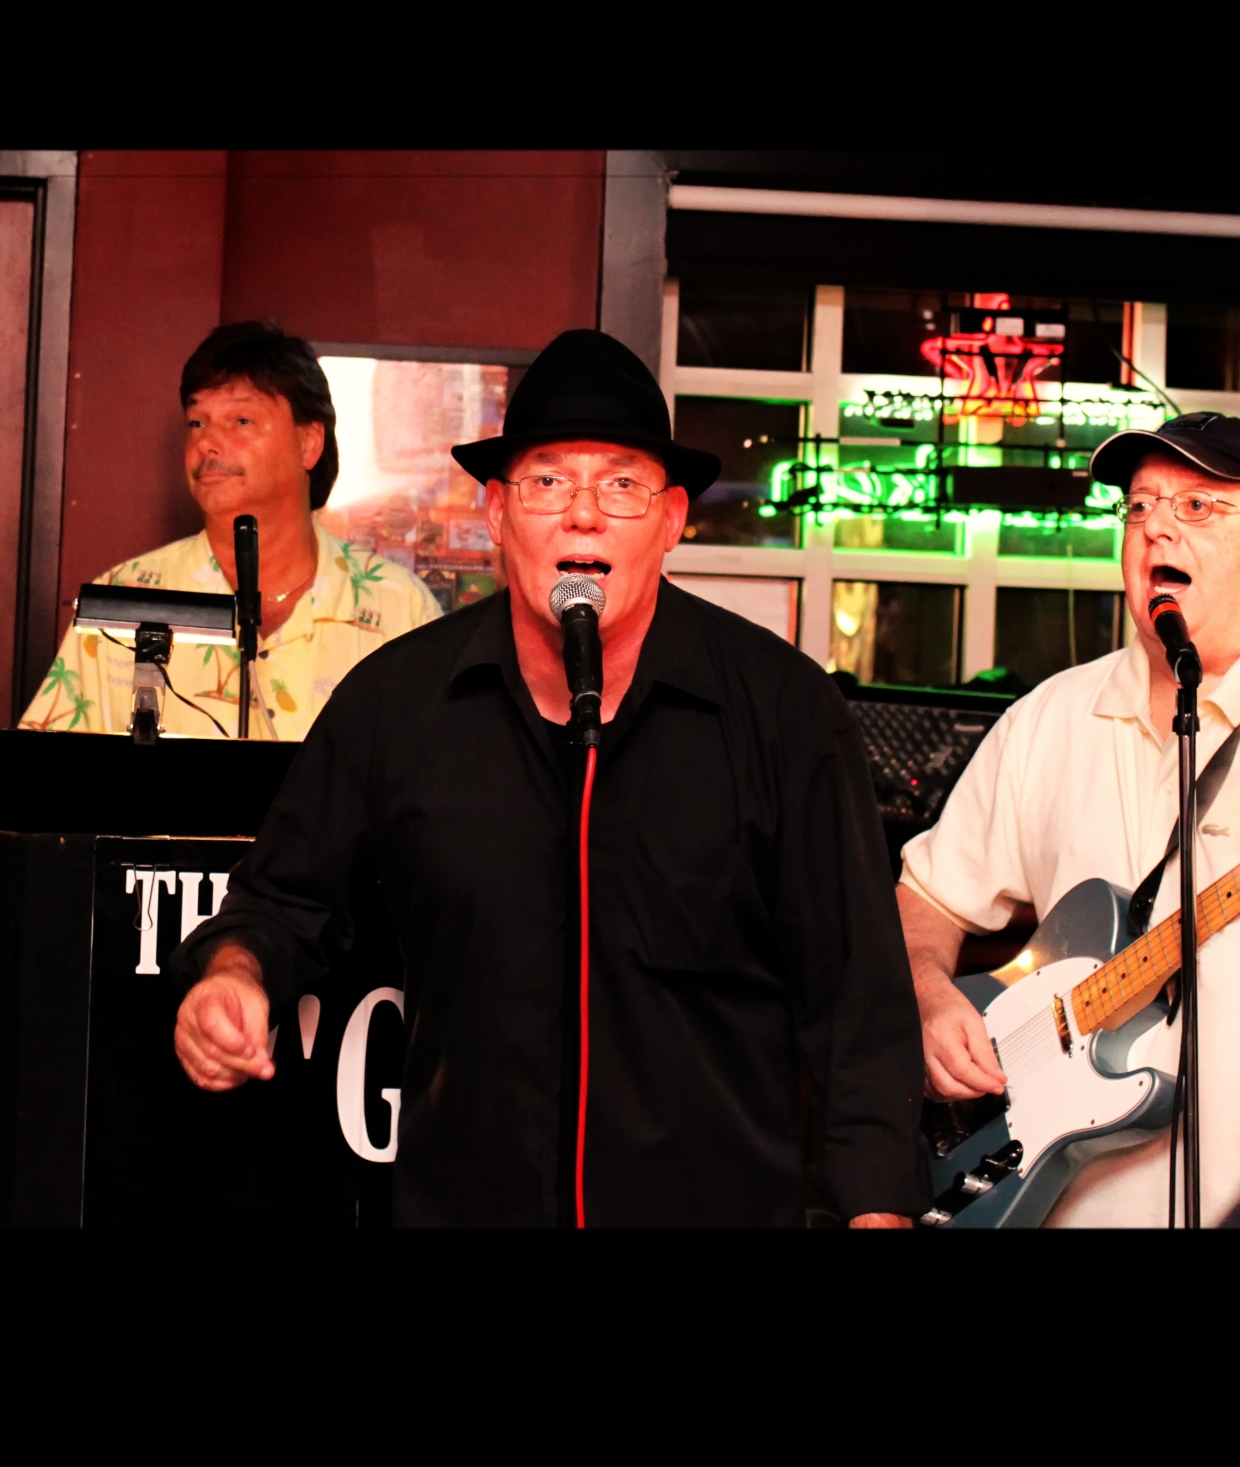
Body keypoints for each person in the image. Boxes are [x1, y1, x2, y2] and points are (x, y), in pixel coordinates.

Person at [169, 330, 926, 1227]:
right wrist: (233, 974)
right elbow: (279, 900)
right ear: (496, 512)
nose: (584, 515)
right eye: (549, 482)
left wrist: (878, 1209)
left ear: (672, 520)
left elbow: (857, 1000)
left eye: (622, 485)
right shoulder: (397, 702)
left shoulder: (782, 711)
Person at [899, 412, 1240, 1226]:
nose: (1156, 527)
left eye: (1198, 506)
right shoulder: (1048, 717)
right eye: (1139, 506)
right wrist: (929, 994)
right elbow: (927, 902)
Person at [20, 321, 439, 740]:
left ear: (309, 442)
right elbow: (42, 771)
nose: (208, 443)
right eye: (197, 422)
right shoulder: (124, 603)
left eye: (241, 420)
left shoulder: (397, 608)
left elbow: (436, 769)